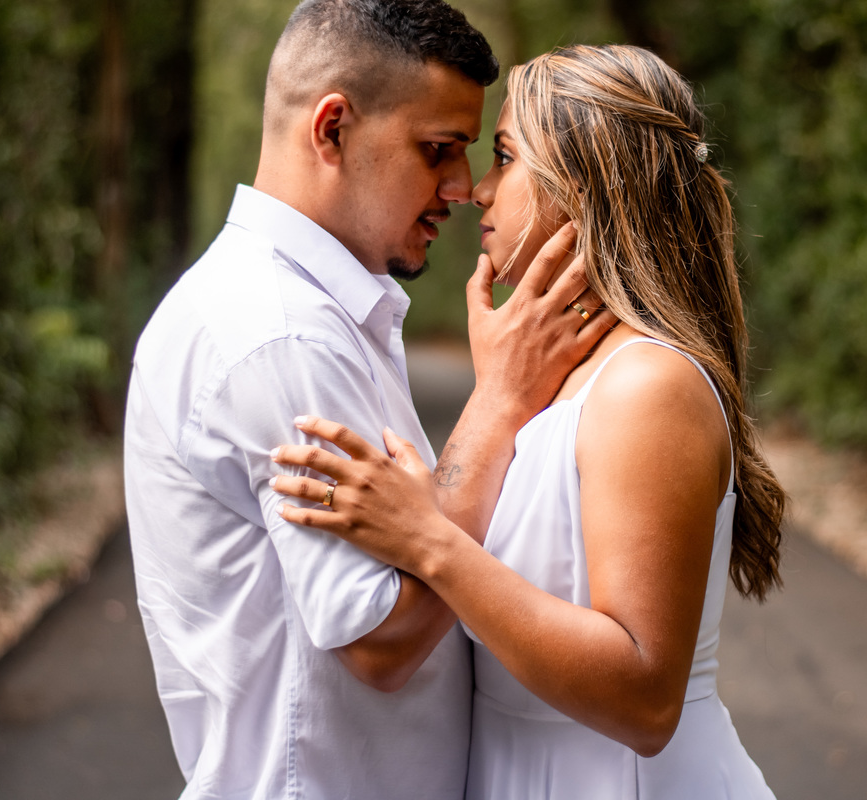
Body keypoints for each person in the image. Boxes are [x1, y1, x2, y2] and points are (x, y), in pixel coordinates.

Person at [269, 44, 787, 798]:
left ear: (585, 184)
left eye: (505, 158)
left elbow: (645, 701)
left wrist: (430, 541)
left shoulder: (648, 384)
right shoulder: (549, 375)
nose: (479, 190)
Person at [123, 3, 612, 799]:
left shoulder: (304, 311)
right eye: (438, 150)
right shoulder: (283, 338)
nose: (461, 188)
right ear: (332, 130)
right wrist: (498, 404)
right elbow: (382, 641)